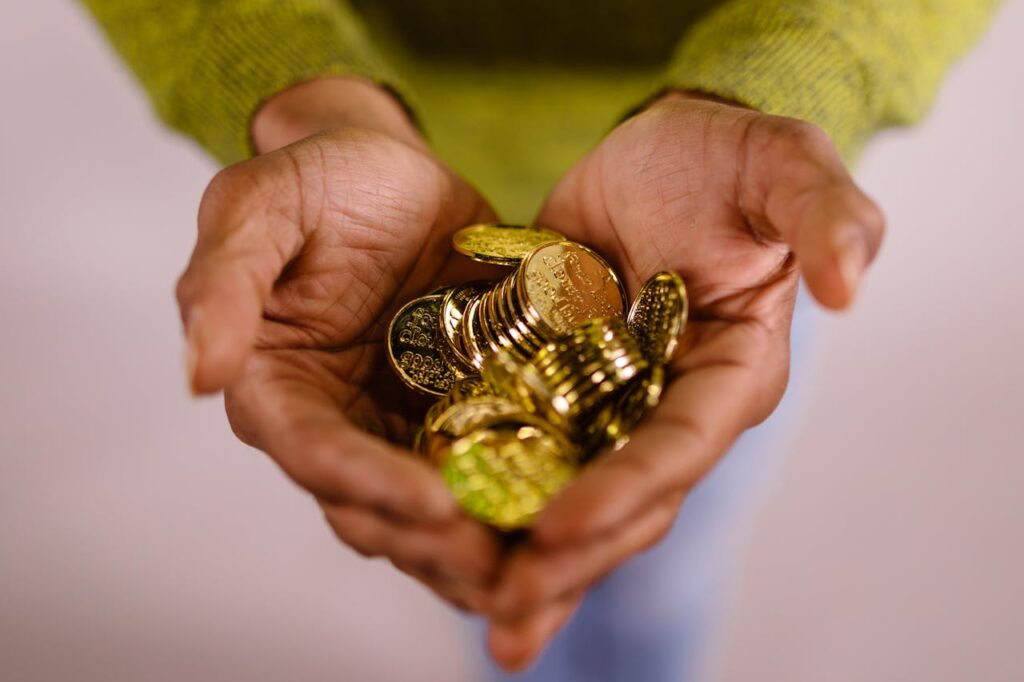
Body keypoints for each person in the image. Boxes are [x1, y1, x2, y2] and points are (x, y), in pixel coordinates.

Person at [81, 1, 1001, 679]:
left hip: (723, 235)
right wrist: (297, 87)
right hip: (384, 179)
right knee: (489, 572)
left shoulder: (711, 270)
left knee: (663, 565)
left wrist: (800, 61)